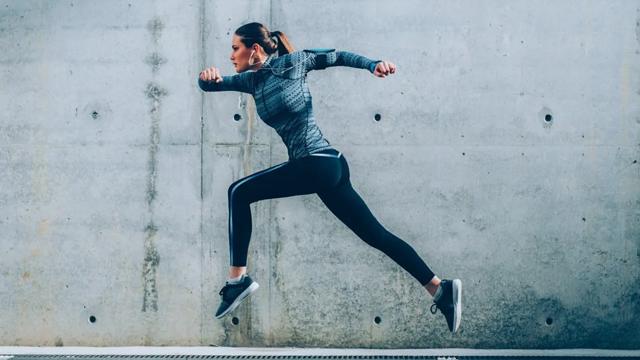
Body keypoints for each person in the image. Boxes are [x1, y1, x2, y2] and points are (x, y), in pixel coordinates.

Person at [198, 22, 462, 333]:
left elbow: (336, 56)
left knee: (238, 192)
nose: (231, 55)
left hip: (320, 162)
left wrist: (373, 64)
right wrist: (205, 78)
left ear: (253, 49)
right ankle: (440, 289)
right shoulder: (251, 82)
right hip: (322, 168)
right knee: (375, 235)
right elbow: (212, 85)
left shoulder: (293, 63)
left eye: (234, 48)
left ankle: (236, 281)